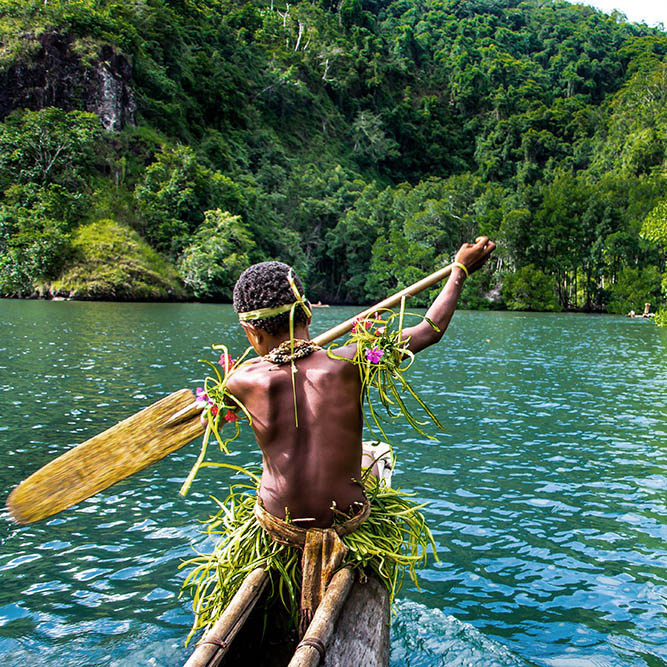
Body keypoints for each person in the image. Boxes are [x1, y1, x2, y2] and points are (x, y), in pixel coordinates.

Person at [184, 236, 496, 642]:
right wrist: (459, 271)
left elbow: (230, 402)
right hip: (347, 526)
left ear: (249, 330)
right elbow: (430, 329)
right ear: (309, 312)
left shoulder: (238, 382)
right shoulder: (349, 362)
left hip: (278, 528)